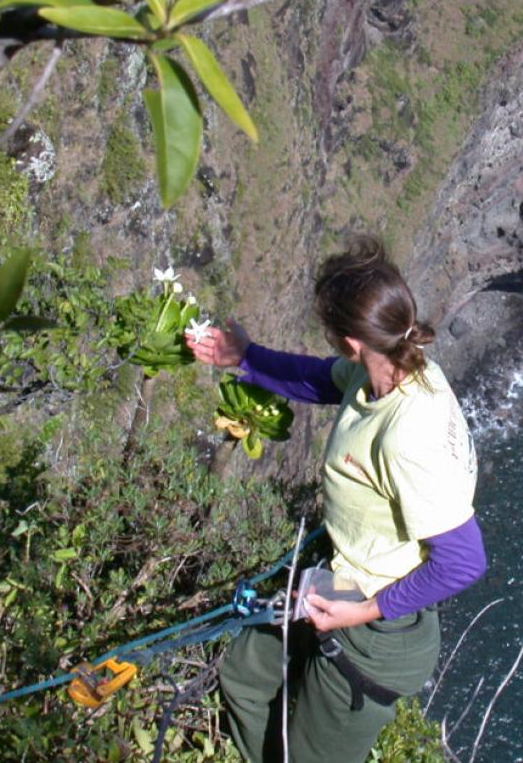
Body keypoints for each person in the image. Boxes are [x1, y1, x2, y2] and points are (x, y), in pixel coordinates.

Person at [185, 235, 487, 763]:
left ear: (350, 340)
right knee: (242, 676)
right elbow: (324, 381)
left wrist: (361, 612)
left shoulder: (406, 435)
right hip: (340, 583)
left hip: (379, 633)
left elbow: (464, 561)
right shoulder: (393, 370)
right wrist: (245, 358)